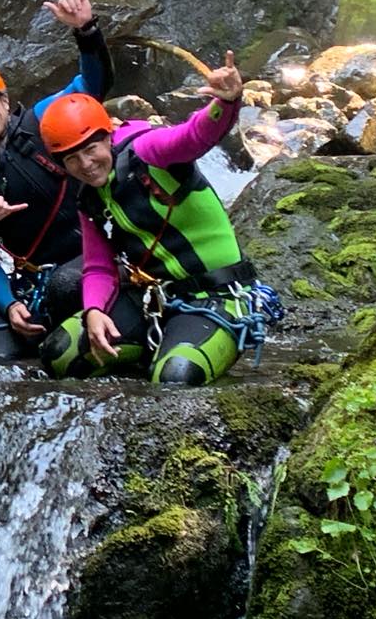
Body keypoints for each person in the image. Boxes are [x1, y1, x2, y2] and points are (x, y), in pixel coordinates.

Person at [37, 51, 280, 386]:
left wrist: (226, 103)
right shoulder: (89, 198)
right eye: (72, 159)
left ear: (108, 136)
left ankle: (175, 346)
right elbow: (98, 266)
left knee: (175, 377)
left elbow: (194, 136)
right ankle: (151, 344)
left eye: (91, 149)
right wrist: (94, 311)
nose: (86, 164)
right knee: (59, 354)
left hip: (219, 295)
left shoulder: (148, 151)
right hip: (153, 298)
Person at [0, 0, 114, 361]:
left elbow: (93, 87)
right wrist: (7, 304)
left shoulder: (43, 119)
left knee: (65, 287)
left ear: (5, 102)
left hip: (95, 255)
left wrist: (86, 32)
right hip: (36, 277)